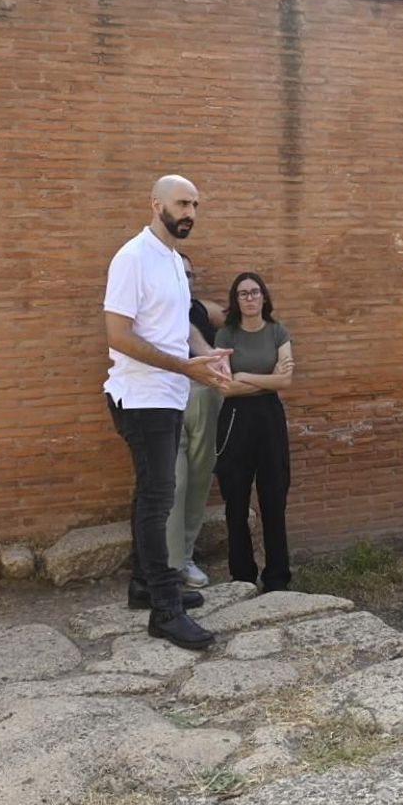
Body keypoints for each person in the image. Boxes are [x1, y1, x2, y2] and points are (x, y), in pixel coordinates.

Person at [102, 175, 232, 651]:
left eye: (195, 204)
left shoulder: (174, 262)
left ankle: (143, 586)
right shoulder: (132, 258)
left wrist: (207, 357)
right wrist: (184, 367)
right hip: (142, 398)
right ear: (155, 203)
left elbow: (182, 330)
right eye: (182, 203)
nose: (190, 213)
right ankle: (165, 610)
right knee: (159, 502)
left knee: (150, 497)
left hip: (171, 392)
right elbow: (118, 335)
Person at [214, 272, 296, 592]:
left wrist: (244, 375)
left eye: (254, 292)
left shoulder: (278, 332)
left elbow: (286, 382)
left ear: (264, 297)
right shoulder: (226, 336)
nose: (249, 298)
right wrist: (265, 378)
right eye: (242, 294)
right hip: (236, 420)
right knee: (236, 498)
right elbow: (226, 389)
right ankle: (243, 575)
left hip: (270, 418)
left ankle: (277, 577)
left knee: (274, 497)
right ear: (236, 301)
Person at [165, 252, 226, 589]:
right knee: (174, 482)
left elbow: (239, 317)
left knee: (200, 479)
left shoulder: (201, 309)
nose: (185, 280)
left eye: (189, 275)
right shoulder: (153, 309)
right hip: (165, 396)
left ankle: (185, 556)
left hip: (204, 395)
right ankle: (170, 564)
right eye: (179, 274)